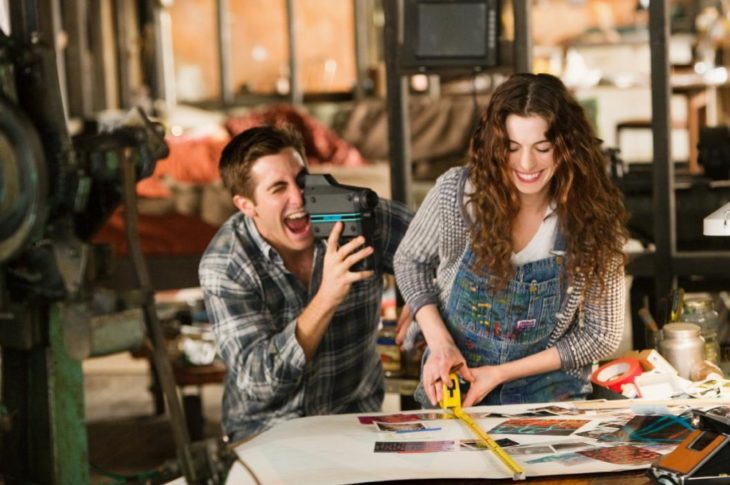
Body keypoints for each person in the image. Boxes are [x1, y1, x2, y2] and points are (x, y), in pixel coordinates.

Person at [394, 73, 629, 409]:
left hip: (548, 395)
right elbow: (410, 261)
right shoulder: (456, 195)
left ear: (566, 147)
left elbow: (600, 334)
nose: (526, 164)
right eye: (511, 148)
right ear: (493, 146)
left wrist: (500, 373)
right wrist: (441, 343)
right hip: (455, 384)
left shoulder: (592, 217)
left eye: (543, 148)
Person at [199, 125, 412, 441]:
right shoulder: (226, 265)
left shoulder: (358, 217)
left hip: (353, 419)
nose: (299, 198)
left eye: (301, 181)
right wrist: (327, 298)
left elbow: (446, 250)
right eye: (278, 188)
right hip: (265, 429)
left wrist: (423, 299)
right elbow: (261, 382)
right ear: (247, 205)